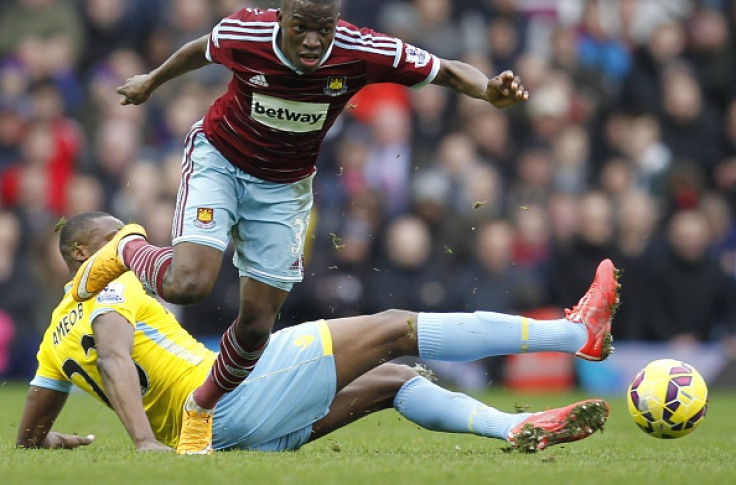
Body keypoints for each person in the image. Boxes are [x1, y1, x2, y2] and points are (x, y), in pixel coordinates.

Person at [69, 0, 530, 454]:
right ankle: (128, 248)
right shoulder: (245, 32)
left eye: (324, 28)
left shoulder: (364, 50)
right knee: (190, 283)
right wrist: (151, 81)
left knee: (255, 326)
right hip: (219, 161)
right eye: (301, 27)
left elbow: (446, 69)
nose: (312, 41)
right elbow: (198, 49)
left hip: (284, 189)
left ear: (338, 22)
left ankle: (201, 408)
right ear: (281, 16)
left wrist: (487, 90)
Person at [19, 212, 618, 453]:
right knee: (391, 329)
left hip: (218, 442)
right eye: (115, 235)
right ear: (80, 252)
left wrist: (47, 443)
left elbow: (29, 433)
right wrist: (143, 444)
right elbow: (118, 358)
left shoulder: (54, 334)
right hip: (229, 397)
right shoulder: (109, 286)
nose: (130, 242)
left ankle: (515, 427)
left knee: (391, 379)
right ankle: (574, 336)